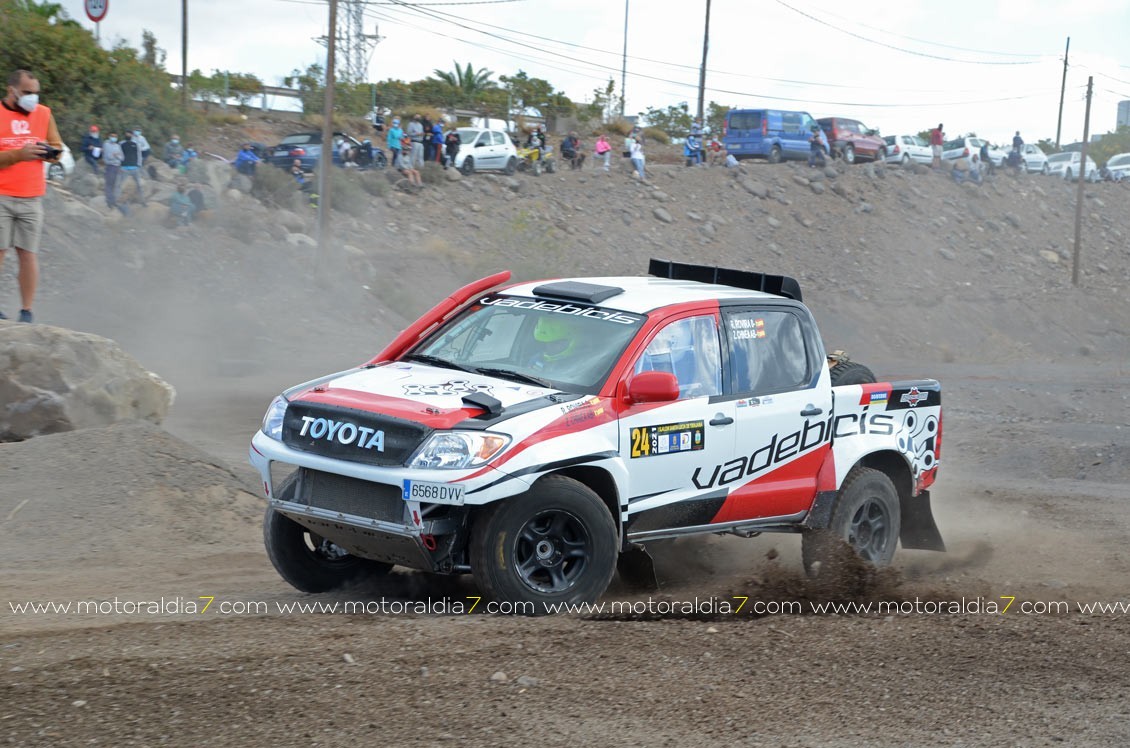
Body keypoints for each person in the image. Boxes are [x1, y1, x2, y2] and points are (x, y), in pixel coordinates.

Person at [0, 69, 63, 323]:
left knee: (28, 253)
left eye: (36, 93)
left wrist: (49, 153)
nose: (32, 98)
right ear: (11, 90)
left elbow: (58, 147)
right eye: (27, 93)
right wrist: (18, 155)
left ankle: (26, 311)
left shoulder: (44, 114)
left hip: (32, 197)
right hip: (2, 194)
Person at [117, 130, 145, 206]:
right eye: (127, 134)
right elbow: (119, 155)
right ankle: (118, 200)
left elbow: (139, 155)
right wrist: (120, 164)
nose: (128, 135)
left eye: (129, 134)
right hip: (124, 168)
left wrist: (139, 165)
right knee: (120, 185)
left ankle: (142, 200)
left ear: (132, 135)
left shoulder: (136, 144)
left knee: (138, 184)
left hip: (135, 167)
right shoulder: (121, 144)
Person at [101, 132, 127, 215]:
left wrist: (116, 156)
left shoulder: (118, 146)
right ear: (109, 137)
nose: (114, 138)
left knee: (115, 184)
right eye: (112, 136)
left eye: (115, 136)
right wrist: (115, 155)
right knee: (109, 184)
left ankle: (113, 201)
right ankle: (110, 202)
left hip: (117, 167)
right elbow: (108, 156)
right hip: (110, 166)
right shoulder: (106, 144)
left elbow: (122, 158)